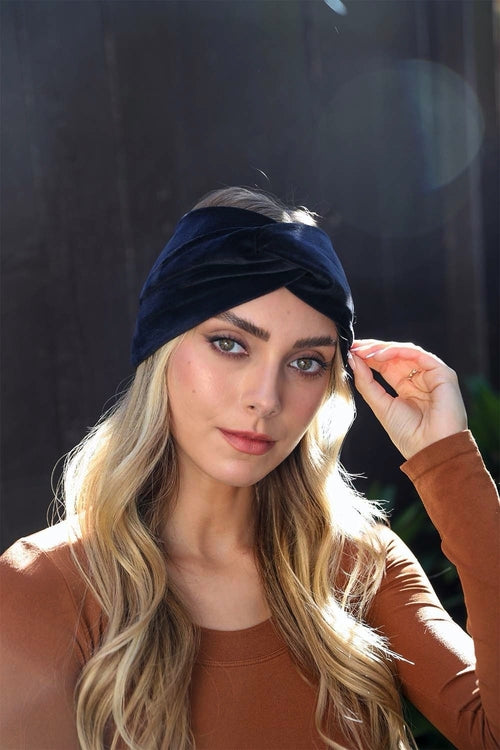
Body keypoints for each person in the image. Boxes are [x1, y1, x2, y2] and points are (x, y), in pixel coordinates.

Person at [0, 187, 498, 750]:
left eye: (306, 362)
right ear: (162, 347)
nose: (266, 398)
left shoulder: (360, 566)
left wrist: (448, 460)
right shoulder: (40, 590)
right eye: (230, 344)